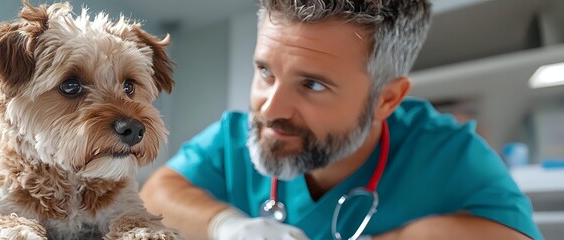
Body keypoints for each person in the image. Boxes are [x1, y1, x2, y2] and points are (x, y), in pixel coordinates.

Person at [140, 0, 542, 239]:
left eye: (312, 85)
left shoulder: (449, 155)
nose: (271, 108)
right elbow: (157, 193)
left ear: (387, 99)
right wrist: (227, 226)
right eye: (265, 72)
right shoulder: (236, 137)